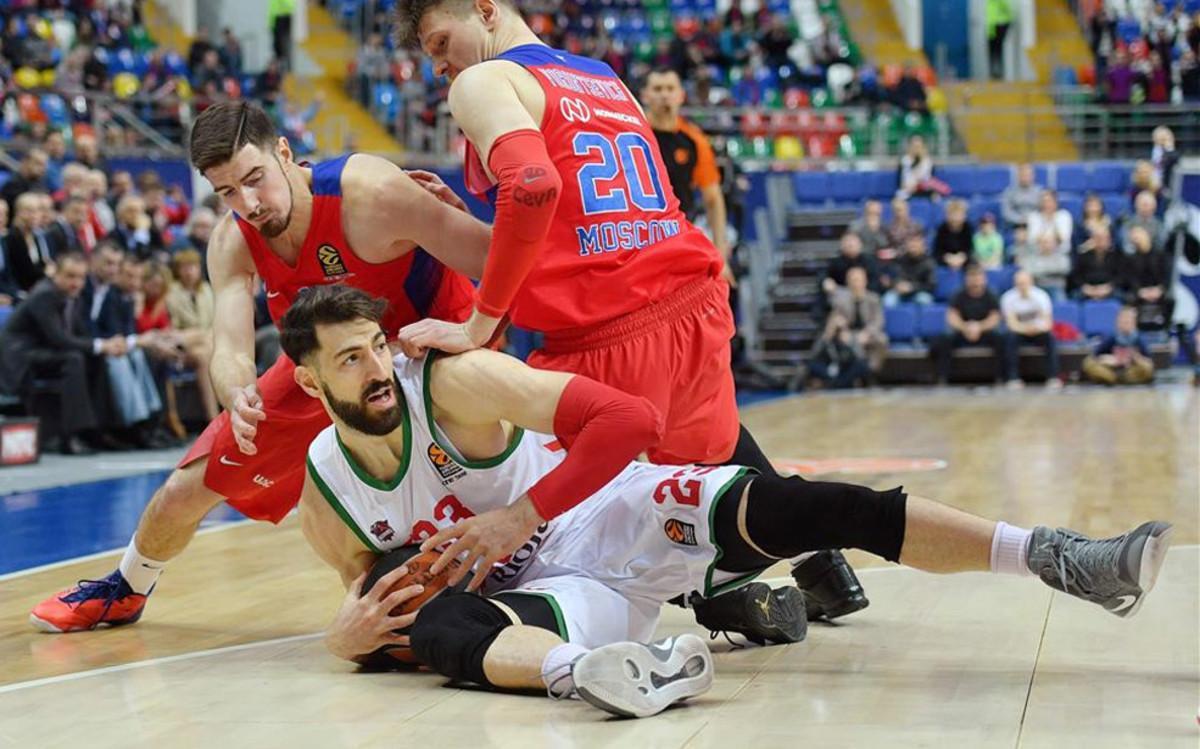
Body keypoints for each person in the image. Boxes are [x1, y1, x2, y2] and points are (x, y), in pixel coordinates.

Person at [291, 286, 1171, 719]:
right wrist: (344, 641)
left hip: (600, 510)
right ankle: (608, 676)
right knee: (434, 622)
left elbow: (629, 420)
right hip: (554, 597)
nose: (377, 371)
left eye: (376, 348)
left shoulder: (452, 381)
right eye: (350, 360)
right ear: (305, 377)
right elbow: (381, 599)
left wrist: (521, 513)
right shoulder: (327, 487)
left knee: (800, 508)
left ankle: (1058, 554)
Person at [391, 0, 867, 640]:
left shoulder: (485, 81)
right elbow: (572, 219)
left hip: (608, 330)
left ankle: (717, 595)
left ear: (485, 10)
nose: (441, 64)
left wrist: (481, 323)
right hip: (686, 302)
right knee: (711, 471)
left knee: (564, 527)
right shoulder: (598, 76)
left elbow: (532, 186)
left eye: (441, 41)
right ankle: (816, 561)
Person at [29, 100, 490, 633]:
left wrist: (472, 333)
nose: (247, 203)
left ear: (286, 153)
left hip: (427, 342)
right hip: (324, 367)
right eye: (227, 191)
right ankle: (128, 586)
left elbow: (497, 258)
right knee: (183, 489)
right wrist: (237, 392)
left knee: (469, 479)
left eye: (255, 180)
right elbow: (229, 348)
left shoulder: (368, 193)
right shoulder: (232, 240)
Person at [0, 253, 127, 454]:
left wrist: (109, 345)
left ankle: (100, 429)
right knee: (73, 359)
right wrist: (101, 345)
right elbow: (58, 338)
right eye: (70, 276)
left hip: (45, 353)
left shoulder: (71, 297)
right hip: (21, 360)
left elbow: (81, 335)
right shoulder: (44, 294)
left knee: (96, 358)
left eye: (80, 277)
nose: (76, 283)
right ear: (56, 275)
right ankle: (71, 436)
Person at [641, 68, 733, 282]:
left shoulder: (694, 140)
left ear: (681, 95)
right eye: (657, 89)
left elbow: (713, 198)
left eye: (670, 88)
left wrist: (721, 253)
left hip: (678, 238)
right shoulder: (630, 133)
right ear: (645, 95)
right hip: (639, 239)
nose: (664, 94)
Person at [931, 264, 1007, 385]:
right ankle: (943, 376)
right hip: (963, 331)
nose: (975, 280)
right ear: (966, 279)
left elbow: (995, 318)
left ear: (984, 278)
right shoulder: (958, 294)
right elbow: (952, 316)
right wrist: (966, 327)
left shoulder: (991, 294)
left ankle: (1000, 377)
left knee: (1001, 336)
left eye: (978, 276)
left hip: (984, 331)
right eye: (971, 277)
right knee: (946, 336)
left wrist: (979, 327)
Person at [822, 266, 887, 379]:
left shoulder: (873, 299)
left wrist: (867, 333)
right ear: (848, 282)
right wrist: (843, 331)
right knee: (846, 343)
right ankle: (854, 374)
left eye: (858, 280)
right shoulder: (841, 300)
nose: (856, 283)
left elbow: (878, 321)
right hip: (849, 333)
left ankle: (871, 372)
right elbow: (835, 320)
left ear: (865, 281)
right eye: (853, 280)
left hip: (868, 333)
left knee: (882, 340)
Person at [999, 270, 1060, 389]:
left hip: (1038, 331)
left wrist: (1036, 328)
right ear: (1014, 284)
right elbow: (1011, 323)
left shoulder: (1041, 296)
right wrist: (1025, 329)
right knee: (1009, 338)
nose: (1022, 286)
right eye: (1019, 283)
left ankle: (1053, 377)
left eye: (1024, 283)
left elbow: (1048, 322)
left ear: (1031, 282)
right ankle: (1013, 378)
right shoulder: (1008, 297)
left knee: (1050, 337)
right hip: (1019, 332)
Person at [1081, 306, 1155, 385]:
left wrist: (1136, 358)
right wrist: (1107, 360)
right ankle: (1112, 379)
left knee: (1147, 367)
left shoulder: (1139, 339)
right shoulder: (1111, 337)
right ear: (1117, 322)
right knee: (1088, 362)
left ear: (1134, 323)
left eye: (1128, 320)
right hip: (1110, 371)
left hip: (1131, 371)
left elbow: (1148, 361)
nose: (1126, 322)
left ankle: (1123, 380)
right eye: (1123, 320)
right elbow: (1095, 356)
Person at [1121, 226, 1173, 331]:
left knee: (1170, 299)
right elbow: (1130, 278)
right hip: (1140, 291)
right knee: (1129, 299)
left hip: (1158, 289)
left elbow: (1166, 275)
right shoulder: (1130, 258)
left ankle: (1165, 330)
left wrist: (1159, 289)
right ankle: (1136, 329)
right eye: (1134, 238)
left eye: (1138, 236)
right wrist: (1140, 291)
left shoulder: (1161, 255)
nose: (1137, 240)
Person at [881, 233, 935, 307]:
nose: (913, 247)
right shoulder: (900, 260)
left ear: (922, 246)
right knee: (888, 300)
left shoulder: (929, 262)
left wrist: (912, 287)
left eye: (916, 244)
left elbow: (931, 285)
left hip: (919, 292)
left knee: (924, 300)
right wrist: (897, 285)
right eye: (911, 244)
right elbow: (894, 277)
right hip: (900, 292)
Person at [1070, 226, 1121, 301]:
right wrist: (1085, 288)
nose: (1100, 241)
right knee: (1074, 297)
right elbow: (1076, 275)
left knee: (1122, 297)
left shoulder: (1117, 256)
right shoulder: (1083, 256)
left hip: (1109, 288)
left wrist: (1109, 287)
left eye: (1104, 238)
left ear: (1109, 240)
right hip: (1088, 289)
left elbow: (1121, 276)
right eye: (1097, 238)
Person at [896, 135, 947, 199]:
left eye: (918, 147)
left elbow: (930, 179)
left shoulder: (928, 162)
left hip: (924, 189)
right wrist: (909, 187)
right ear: (909, 147)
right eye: (914, 146)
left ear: (923, 147)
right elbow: (900, 183)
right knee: (900, 197)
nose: (916, 149)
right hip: (908, 190)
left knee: (936, 196)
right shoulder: (904, 161)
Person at [1027, 190, 1072, 257]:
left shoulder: (1064, 215)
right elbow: (1032, 239)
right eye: (1044, 201)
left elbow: (1064, 238)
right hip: (1038, 255)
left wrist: (1052, 220)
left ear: (1056, 202)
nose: (1047, 204)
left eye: (1049, 201)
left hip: (1060, 254)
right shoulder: (1033, 217)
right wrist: (1045, 220)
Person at [933, 199, 973, 269]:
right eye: (953, 214)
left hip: (964, 260)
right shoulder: (941, 229)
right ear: (947, 215)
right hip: (945, 260)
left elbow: (970, 249)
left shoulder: (968, 228)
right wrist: (947, 258)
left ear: (964, 215)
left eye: (958, 214)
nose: (955, 218)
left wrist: (962, 257)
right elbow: (937, 251)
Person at [1001, 163, 1040, 229]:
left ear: (1033, 176)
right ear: (1018, 176)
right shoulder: (1009, 192)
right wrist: (1020, 220)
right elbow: (1006, 212)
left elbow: (1042, 211)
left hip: (1035, 225)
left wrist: (1031, 220)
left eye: (1028, 175)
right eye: (1023, 175)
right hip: (1016, 225)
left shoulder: (1039, 192)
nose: (1025, 178)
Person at [986, 0, 1012, 80]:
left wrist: (1005, 22)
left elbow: (1007, 9)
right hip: (992, 27)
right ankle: (993, 73)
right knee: (993, 51)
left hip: (999, 25)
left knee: (998, 50)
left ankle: (1000, 72)